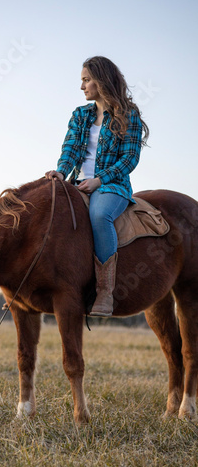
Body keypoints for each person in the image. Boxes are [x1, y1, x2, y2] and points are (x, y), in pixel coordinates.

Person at [45, 56, 149, 317]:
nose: (82, 87)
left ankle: (105, 291)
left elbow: (129, 159)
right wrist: (60, 171)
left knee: (100, 216)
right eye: (82, 81)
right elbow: (69, 149)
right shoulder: (80, 115)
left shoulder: (129, 115)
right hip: (78, 183)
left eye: (86, 80)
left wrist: (99, 180)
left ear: (101, 81)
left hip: (112, 186)